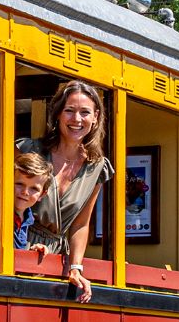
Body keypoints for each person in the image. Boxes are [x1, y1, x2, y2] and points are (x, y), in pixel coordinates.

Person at [18, 77, 112, 299]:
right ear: (58, 114)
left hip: (55, 263)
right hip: (18, 247)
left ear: (96, 118)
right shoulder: (29, 150)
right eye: (69, 110)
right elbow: (3, 201)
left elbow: (80, 224)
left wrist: (76, 267)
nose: (77, 119)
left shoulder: (96, 167)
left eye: (85, 112)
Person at [11, 148, 60, 254]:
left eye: (34, 188)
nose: (25, 192)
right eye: (19, 184)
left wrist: (32, 251)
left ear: (42, 195)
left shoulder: (28, 219)